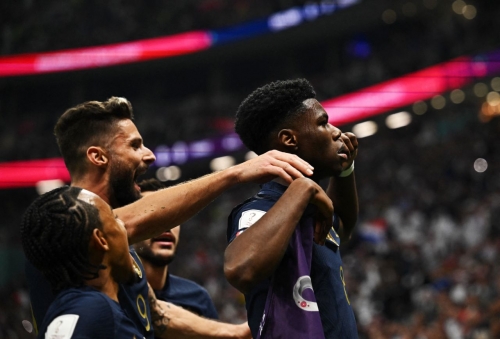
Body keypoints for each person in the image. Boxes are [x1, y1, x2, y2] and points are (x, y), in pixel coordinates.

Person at [25, 96, 314, 338]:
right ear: (98, 157)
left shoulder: (116, 244)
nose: (149, 155)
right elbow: (124, 220)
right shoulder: (60, 229)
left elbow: (154, 312)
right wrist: (235, 173)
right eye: (134, 145)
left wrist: (235, 333)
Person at [224, 79, 360, 338]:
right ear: (289, 139)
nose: (336, 132)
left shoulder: (313, 208)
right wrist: (302, 187)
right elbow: (241, 269)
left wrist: (346, 170)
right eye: (323, 123)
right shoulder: (261, 210)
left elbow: (343, 223)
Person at [134, 178, 252, 338]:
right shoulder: (112, 295)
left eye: (172, 215)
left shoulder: (197, 298)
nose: (165, 225)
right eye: (151, 213)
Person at [21, 186, 144, 338]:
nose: (123, 225)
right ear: (100, 240)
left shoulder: (88, 306)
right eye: (114, 218)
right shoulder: (91, 308)